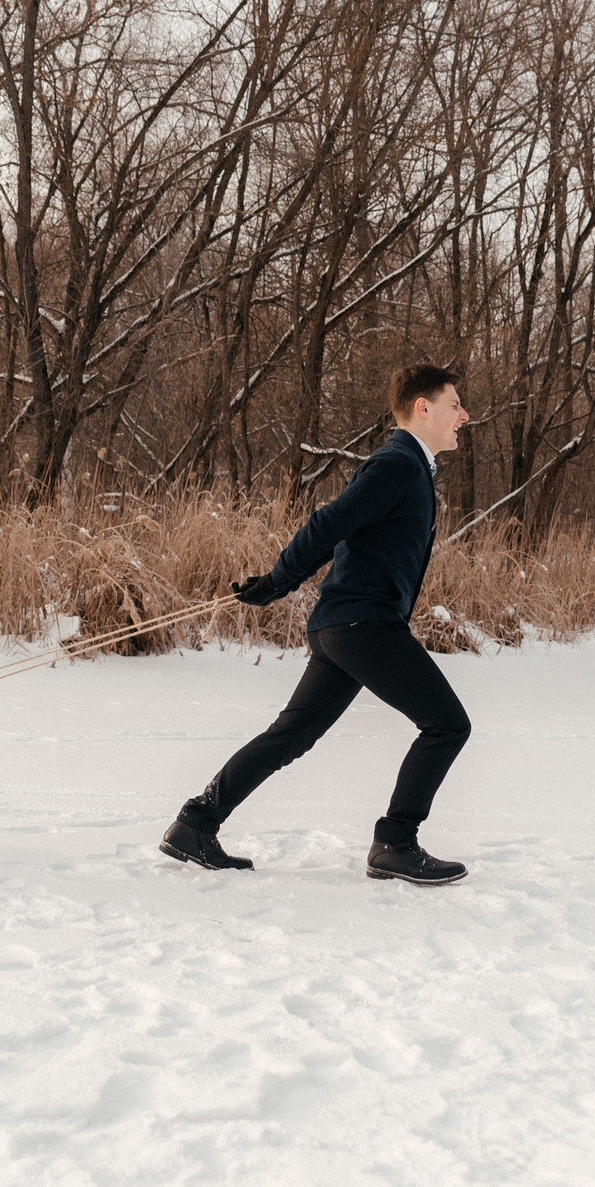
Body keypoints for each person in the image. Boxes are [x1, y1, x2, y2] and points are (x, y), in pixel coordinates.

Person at [162, 364, 475, 886]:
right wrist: (278, 582)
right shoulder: (397, 463)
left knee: (290, 736)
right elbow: (329, 523)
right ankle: (396, 842)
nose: (464, 415)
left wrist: (281, 583)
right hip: (363, 624)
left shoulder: (408, 467)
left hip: (344, 626)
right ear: (424, 407)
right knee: (447, 724)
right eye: (455, 404)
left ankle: (195, 823)